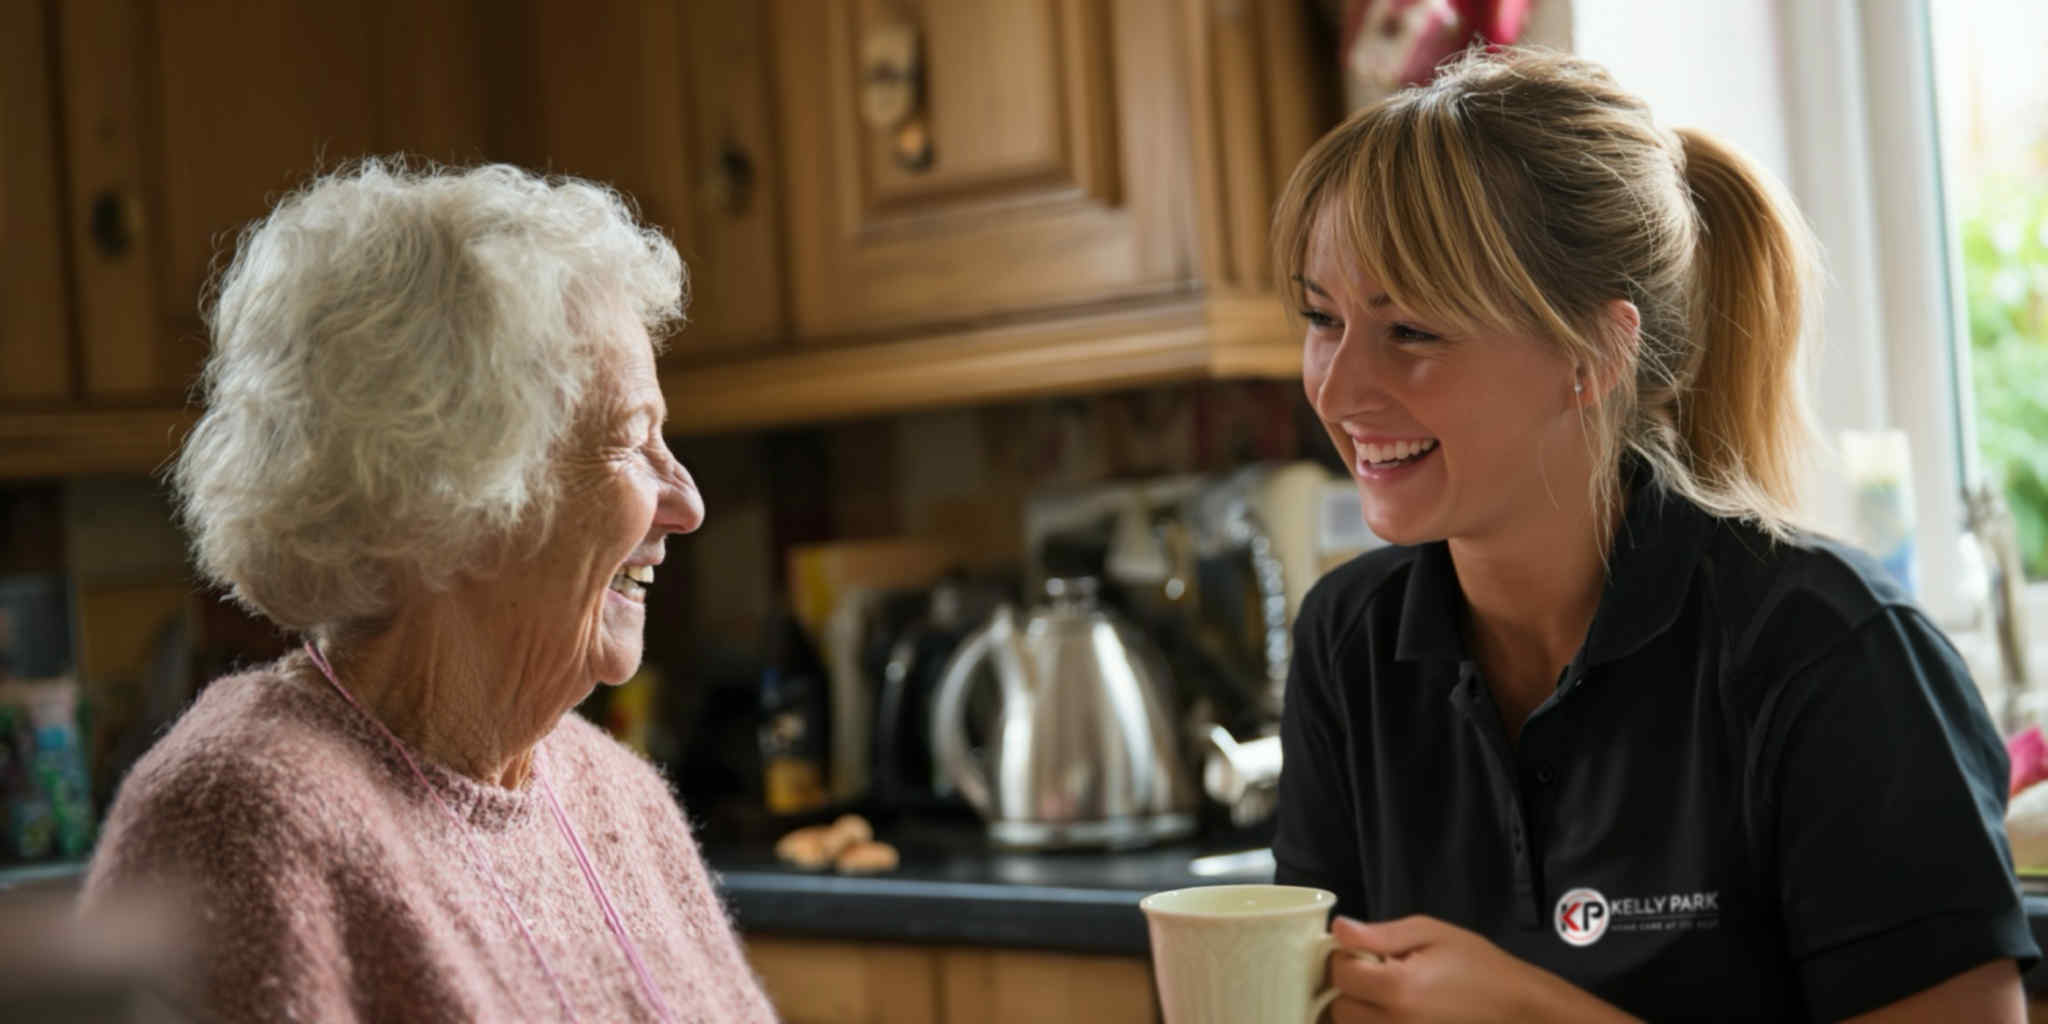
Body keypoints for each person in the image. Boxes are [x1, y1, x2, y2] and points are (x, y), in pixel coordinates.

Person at [1270, 48, 2036, 1022]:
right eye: (1319, 318)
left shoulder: (1833, 652)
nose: (1335, 390)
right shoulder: (1349, 642)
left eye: (1410, 329)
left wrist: (1538, 1015)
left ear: (1593, 352)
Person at [78, 160, 777, 1023]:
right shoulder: (241, 817)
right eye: (633, 442)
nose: (688, 502)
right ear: (457, 496)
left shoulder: (617, 799)